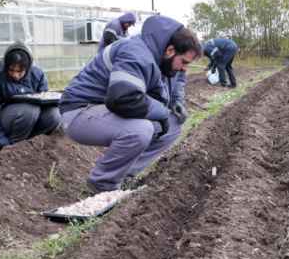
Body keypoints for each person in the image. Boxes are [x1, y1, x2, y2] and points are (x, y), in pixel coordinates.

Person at [59, 15, 203, 194]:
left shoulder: (161, 56)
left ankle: (124, 173)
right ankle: (102, 184)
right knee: (140, 129)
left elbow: (178, 78)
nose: (185, 68)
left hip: (105, 110)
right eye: (184, 62)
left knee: (174, 124)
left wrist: (176, 101)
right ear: (170, 50)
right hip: (80, 111)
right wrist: (161, 112)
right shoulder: (136, 53)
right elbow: (121, 98)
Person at [0, 40, 61, 152]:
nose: (15, 75)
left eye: (20, 71)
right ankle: (14, 146)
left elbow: (46, 101)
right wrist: (1, 142)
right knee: (30, 110)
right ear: (6, 66)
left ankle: (31, 145)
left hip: (31, 119)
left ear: (28, 67)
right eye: (11, 70)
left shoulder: (37, 73)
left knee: (54, 114)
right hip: (9, 120)